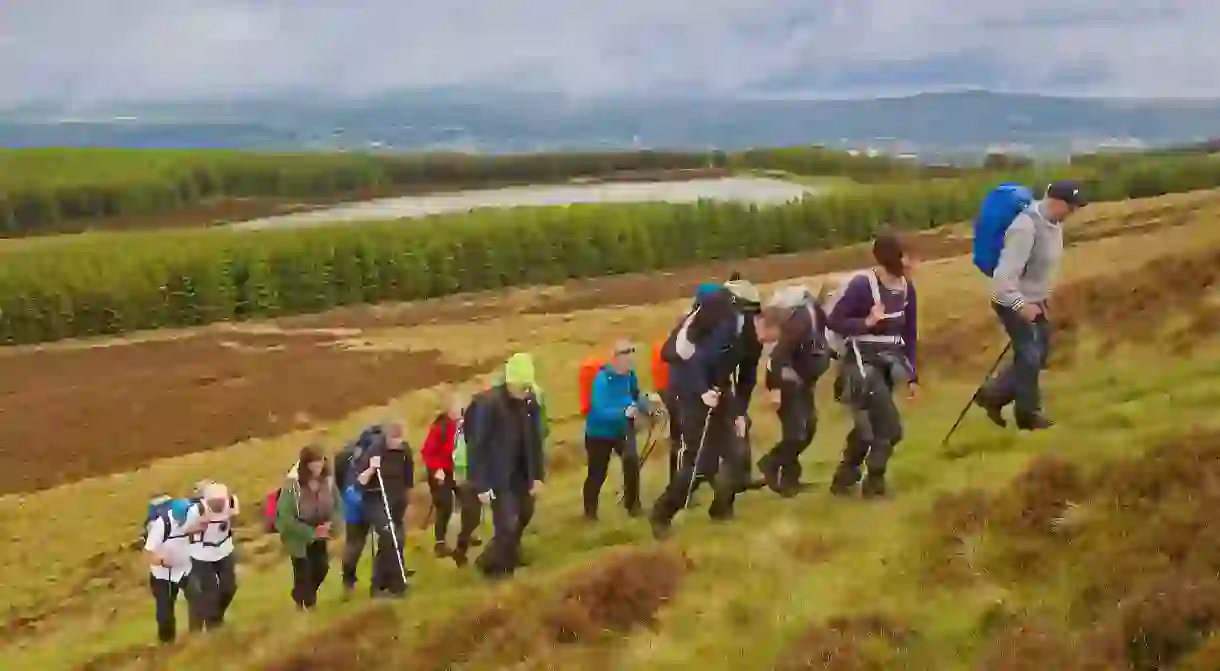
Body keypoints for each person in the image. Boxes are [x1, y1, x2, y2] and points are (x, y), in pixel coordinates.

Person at [975, 180, 1081, 431]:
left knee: (1039, 355)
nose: (1074, 212)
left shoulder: (1054, 224)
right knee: (1030, 355)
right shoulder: (1025, 228)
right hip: (1011, 301)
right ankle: (1028, 416)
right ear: (1055, 202)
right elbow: (1002, 280)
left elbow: (1041, 268)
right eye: (1072, 206)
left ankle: (992, 395)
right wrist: (1022, 305)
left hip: (1034, 301)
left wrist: (1041, 297)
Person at [649, 284, 752, 538]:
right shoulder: (719, 324)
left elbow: (738, 371)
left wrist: (737, 410)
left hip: (717, 389)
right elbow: (693, 359)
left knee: (737, 454)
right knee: (700, 463)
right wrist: (703, 391)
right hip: (690, 392)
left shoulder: (743, 329)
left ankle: (721, 509)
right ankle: (662, 513)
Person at [826, 232, 919, 499]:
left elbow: (909, 334)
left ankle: (844, 478)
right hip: (860, 366)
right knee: (890, 428)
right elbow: (833, 320)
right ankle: (874, 485)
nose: (914, 263)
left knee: (867, 429)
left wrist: (912, 376)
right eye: (908, 257)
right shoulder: (862, 286)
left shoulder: (906, 289)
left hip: (888, 365)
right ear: (894, 258)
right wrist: (865, 323)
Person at [465, 352, 546, 578]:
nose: (525, 391)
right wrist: (480, 485)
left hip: (522, 473)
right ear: (510, 382)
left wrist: (538, 476)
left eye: (528, 386)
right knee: (507, 525)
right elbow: (477, 447)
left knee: (524, 515)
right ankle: (501, 574)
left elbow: (535, 441)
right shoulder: (489, 405)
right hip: (497, 477)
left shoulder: (530, 403)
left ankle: (491, 558)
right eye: (522, 386)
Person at [754, 286, 831, 496]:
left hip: (802, 383)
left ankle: (789, 479)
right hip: (790, 387)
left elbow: (784, 354)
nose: (761, 339)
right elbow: (776, 359)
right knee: (797, 433)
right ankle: (770, 464)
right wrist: (775, 390)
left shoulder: (801, 322)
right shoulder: (798, 323)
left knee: (808, 429)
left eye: (763, 332)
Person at [583, 340, 653, 520]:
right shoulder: (601, 380)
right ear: (615, 358)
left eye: (631, 358)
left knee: (631, 461)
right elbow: (599, 409)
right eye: (626, 358)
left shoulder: (630, 375)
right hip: (599, 433)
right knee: (597, 473)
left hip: (622, 429)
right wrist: (624, 412)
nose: (630, 363)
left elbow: (636, 395)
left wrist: (648, 407)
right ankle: (590, 512)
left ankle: (633, 506)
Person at [276, 445, 344, 610]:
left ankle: (302, 596)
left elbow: (338, 506)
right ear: (306, 464)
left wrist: (332, 524)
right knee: (303, 571)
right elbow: (285, 517)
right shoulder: (293, 487)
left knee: (321, 567)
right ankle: (307, 605)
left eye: (320, 462)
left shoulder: (328, 482)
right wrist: (311, 532)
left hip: (321, 531)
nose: (317, 467)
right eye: (313, 463)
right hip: (297, 534)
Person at [354, 422, 415, 598]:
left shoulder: (405, 451)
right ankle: (397, 585)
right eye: (394, 440)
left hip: (396, 502)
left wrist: (406, 501)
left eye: (400, 439)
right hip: (375, 500)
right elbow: (360, 482)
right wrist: (372, 468)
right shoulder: (374, 450)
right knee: (390, 535)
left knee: (397, 539)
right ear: (386, 438)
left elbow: (408, 479)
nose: (397, 444)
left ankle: (379, 585)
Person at [421, 393, 481, 558]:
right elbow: (427, 452)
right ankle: (439, 543)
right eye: (457, 409)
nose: (460, 412)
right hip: (441, 472)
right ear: (449, 411)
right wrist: (436, 470)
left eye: (462, 409)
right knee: (445, 506)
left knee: (469, 502)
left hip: (458, 470)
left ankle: (467, 534)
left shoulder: (466, 426)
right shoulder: (440, 428)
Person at [182, 482, 240, 630]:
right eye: (215, 503)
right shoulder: (197, 510)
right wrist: (199, 525)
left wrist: (232, 517)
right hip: (202, 554)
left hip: (224, 550)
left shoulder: (231, 502)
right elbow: (184, 530)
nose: (219, 505)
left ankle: (216, 617)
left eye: (221, 501)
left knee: (229, 587)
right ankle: (213, 626)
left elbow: (233, 521)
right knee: (210, 591)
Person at [334, 425, 380, 597]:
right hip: (369, 499)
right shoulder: (377, 453)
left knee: (354, 542)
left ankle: (348, 579)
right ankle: (382, 578)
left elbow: (339, 482)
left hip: (351, 500)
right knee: (383, 535)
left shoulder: (345, 456)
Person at [143, 496, 194, 644]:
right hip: (163, 576)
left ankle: (199, 636)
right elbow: (149, 553)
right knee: (165, 613)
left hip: (186, 570)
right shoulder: (160, 525)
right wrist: (160, 561)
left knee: (199, 600)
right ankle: (167, 643)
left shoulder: (194, 518)